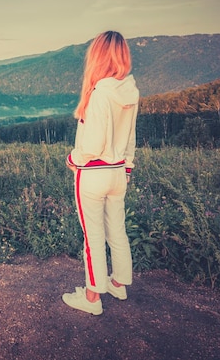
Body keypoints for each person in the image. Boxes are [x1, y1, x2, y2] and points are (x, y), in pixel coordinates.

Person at [62, 30, 139, 315]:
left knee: (92, 237)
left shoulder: (98, 94)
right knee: (117, 231)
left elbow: (91, 146)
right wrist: (127, 168)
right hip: (119, 173)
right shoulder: (131, 91)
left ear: (97, 57)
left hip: (92, 175)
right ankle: (119, 283)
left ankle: (92, 299)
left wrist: (73, 158)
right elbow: (130, 136)